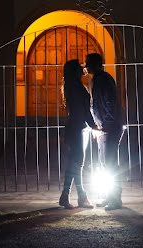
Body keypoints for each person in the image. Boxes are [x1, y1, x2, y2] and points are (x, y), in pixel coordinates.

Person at [86, 51, 123, 210]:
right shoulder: (99, 79)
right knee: (105, 163)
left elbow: (110, 104)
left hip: (109, 128)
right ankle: (110, 197)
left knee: (110, 163)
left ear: (95, 65)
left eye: (88, 63)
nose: (86, 67)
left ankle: (115, 199)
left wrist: (106, 125)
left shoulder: (104, 80)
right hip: (104, 128)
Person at [59, 59, 96, 209]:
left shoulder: (72, 87)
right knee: (77, 162)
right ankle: (77, 196)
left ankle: (71, 195)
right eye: (79, 66)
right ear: (75, 71)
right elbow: (83, 110)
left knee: (75, 163)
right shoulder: (76, 88)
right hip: (78, 128)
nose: (84, 67)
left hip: (76, 127)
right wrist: (94, 125)